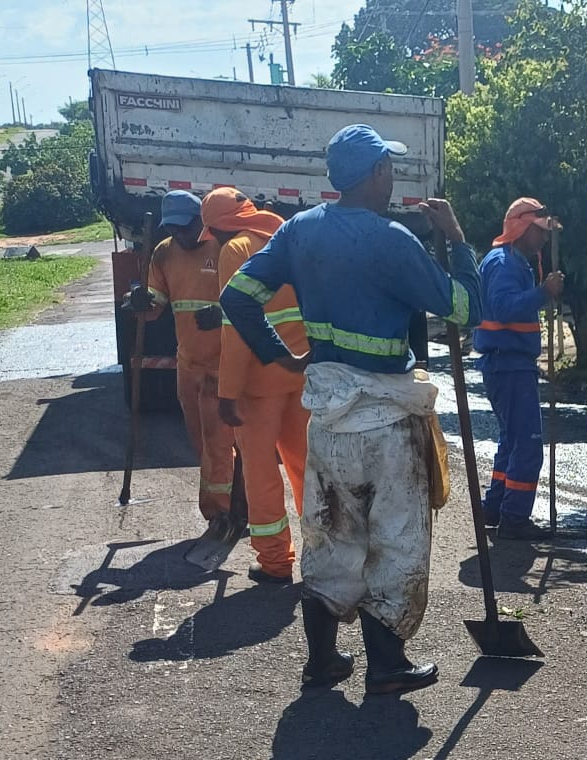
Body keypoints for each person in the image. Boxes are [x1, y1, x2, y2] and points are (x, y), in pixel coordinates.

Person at [220, 123, 482, 696]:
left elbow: (237, 295)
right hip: (387, 423)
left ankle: (323, 661)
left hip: (329, 418)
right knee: (396, 537)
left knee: (332, 534)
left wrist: (282, 357)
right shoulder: (392, 240)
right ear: (378, 174)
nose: (391, 174)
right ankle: (387, 664)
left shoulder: (299, 231)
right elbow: (463, 308)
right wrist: (457, 240)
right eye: (388, 165)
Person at [203, 186, 311, 585]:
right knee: (309, 469)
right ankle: (322, 554)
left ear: (215, 229)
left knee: (261, 474)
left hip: (258, 386)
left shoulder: (236, 250)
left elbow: (236, 329)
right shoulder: (286, 235)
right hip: (300, 375)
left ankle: (276, 562)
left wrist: (227, 393)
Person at [133, 190, 238, 539]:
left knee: (218, 442)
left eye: (186, 227)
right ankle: (226, 508)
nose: (180, 234)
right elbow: (154, 308)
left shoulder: (225, 248)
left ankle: (223, 515)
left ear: (201, 220)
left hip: (225, 366)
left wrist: (224, 315)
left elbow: (254, 305)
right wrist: (138, 302)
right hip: (189, 365)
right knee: (201, 443)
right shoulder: (164, 253)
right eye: (173, 229)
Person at [476, 197, 563, 540]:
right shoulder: (503, 264)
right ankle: (514, 518)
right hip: (508, 364)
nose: (543, 239)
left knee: (511, 441)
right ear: (522, 227)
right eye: (539, 232)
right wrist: (543, 292)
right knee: (526, 444)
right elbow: (502, 307)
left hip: (510, 363)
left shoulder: (515, 262)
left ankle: (496, 508)